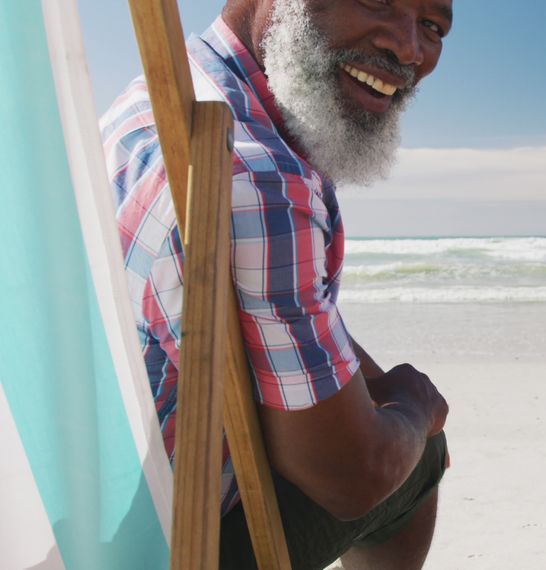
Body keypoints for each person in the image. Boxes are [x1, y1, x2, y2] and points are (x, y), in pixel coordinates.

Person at [100, 0, 454, 568]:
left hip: (92, 507)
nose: (409, 48)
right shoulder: (261, 178)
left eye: (433, 27)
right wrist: (413, 405)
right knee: (417, 455)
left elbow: (283, 308)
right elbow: (350, 479)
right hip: (169, 540)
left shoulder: (166, 92)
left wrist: (370, 381)